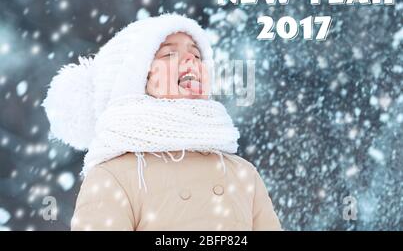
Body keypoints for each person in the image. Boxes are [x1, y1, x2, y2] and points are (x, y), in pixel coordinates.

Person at [42, 13, 282, 231]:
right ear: (134, 78)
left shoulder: (242, 173)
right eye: (169, 54)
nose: (191, 59)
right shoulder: (114, 176)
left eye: (197, 55)